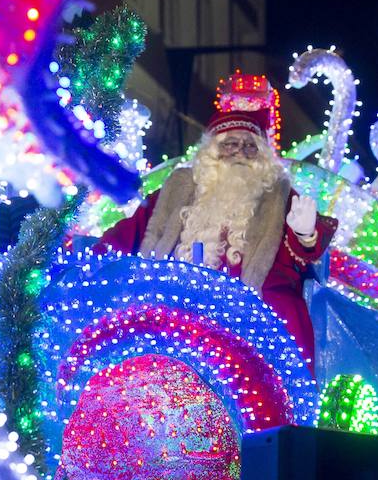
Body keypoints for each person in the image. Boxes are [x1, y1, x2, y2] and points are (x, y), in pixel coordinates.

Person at [94, 73, 336, 368]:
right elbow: (128, 234)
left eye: (251, 147)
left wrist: (306, 235)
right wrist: (87, 258)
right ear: (212, 152)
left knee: (283, 315)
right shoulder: (178, 189)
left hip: (254, 316)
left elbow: (304, 256)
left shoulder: (277, 196)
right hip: (177, 311)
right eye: (230, 144)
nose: (240, 153)